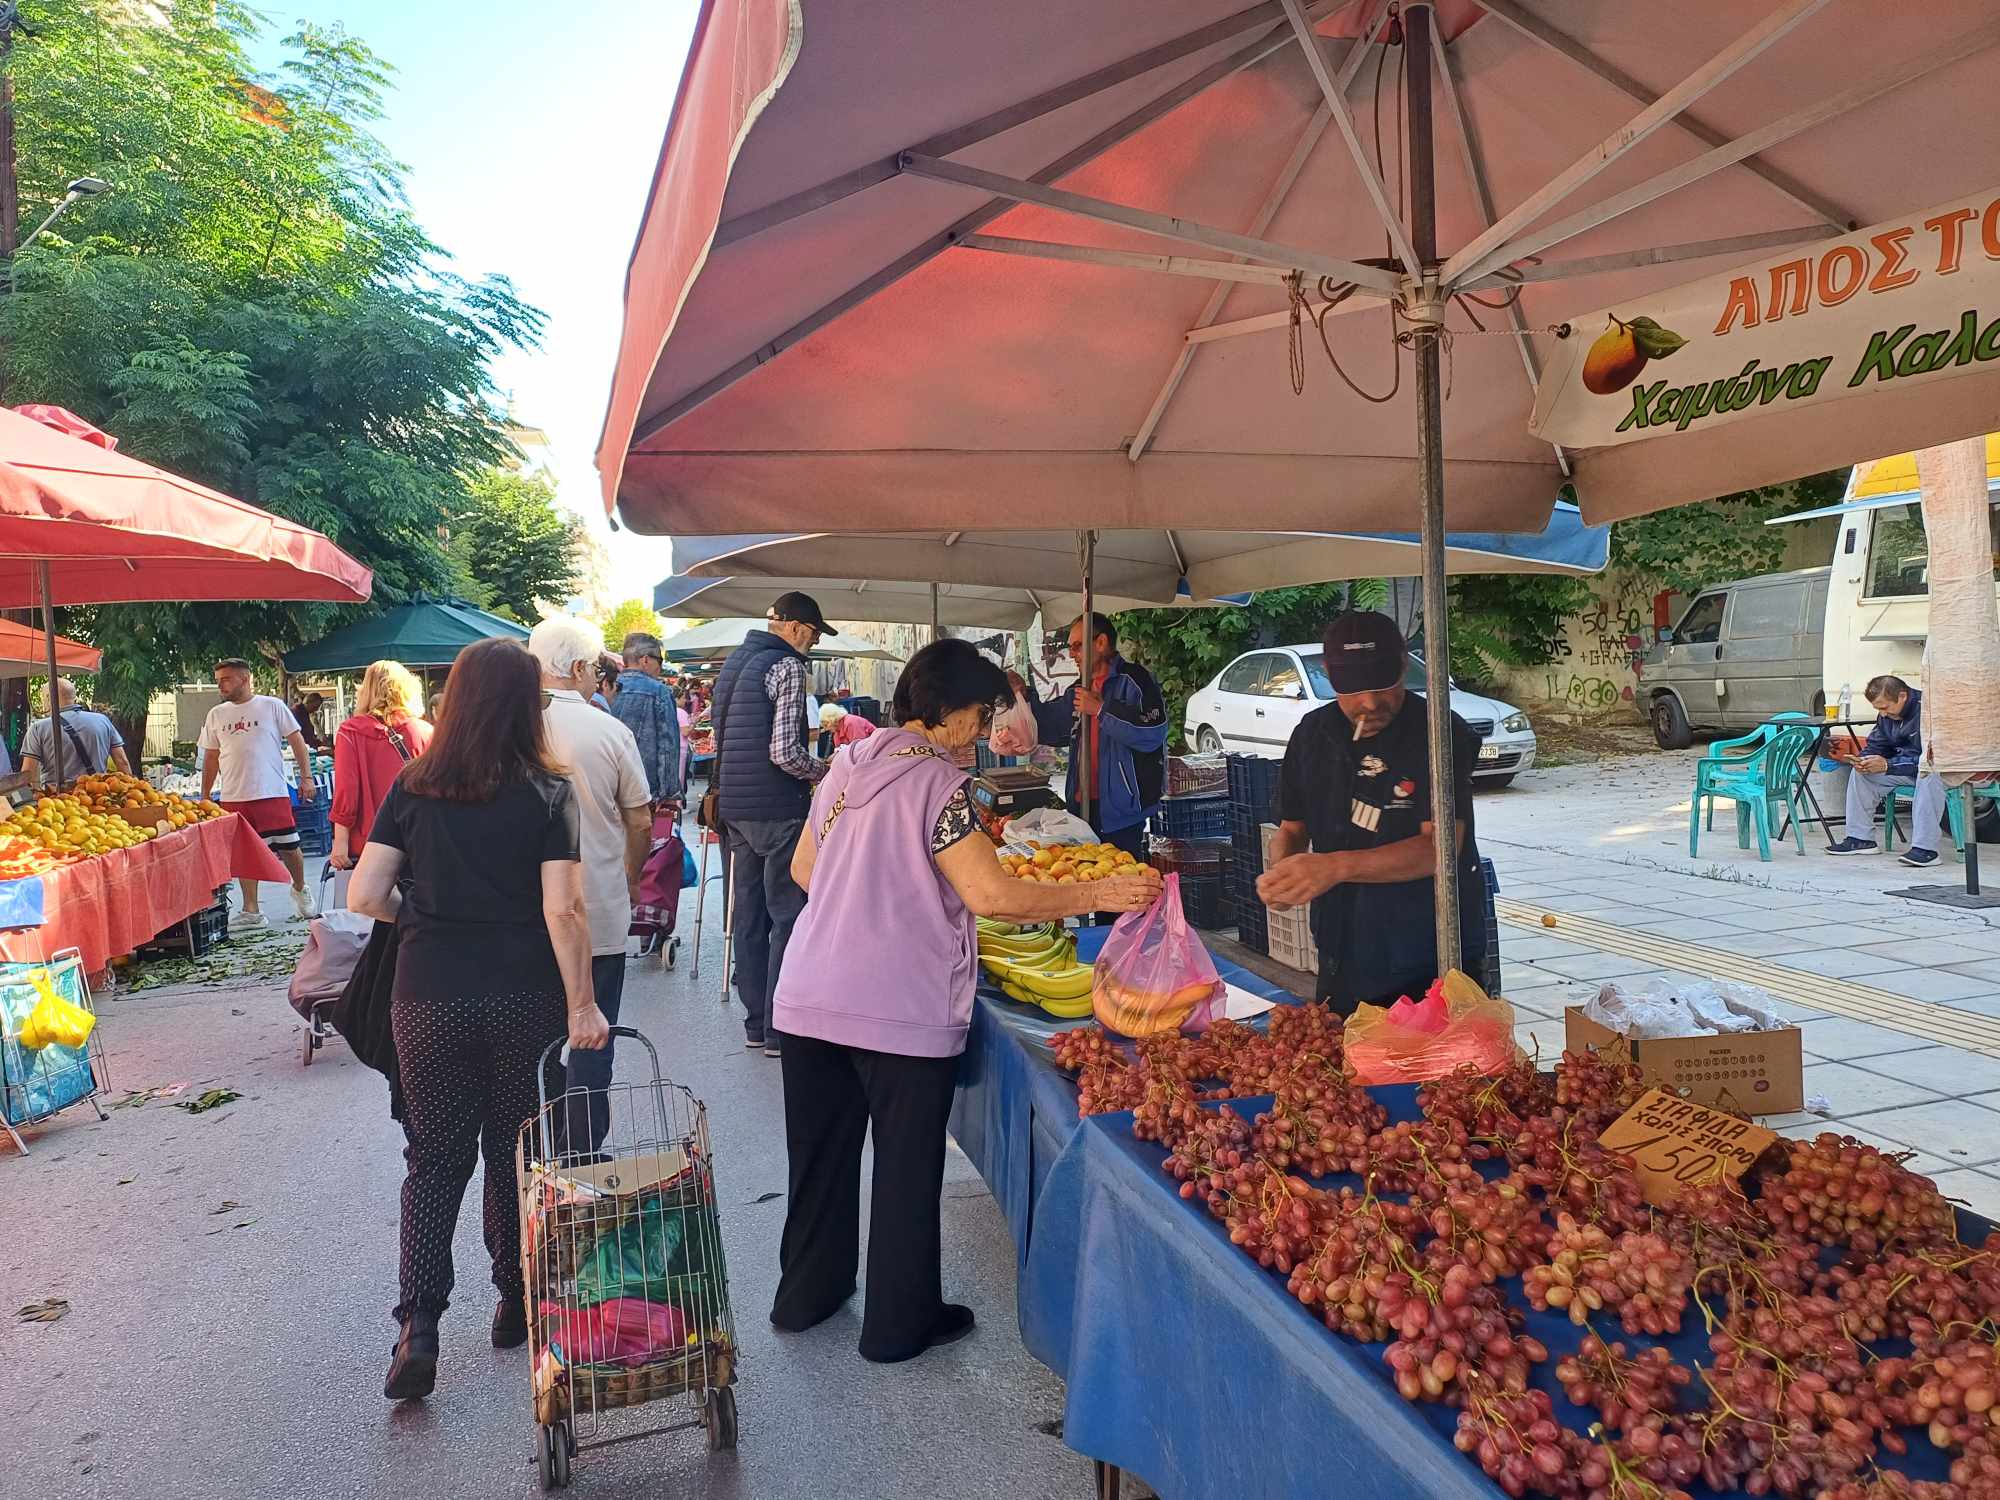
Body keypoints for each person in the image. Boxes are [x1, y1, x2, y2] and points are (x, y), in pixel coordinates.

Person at [770, 639, 1161, 1362]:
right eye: (981, 713)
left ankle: (806, 1298)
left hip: (808, 995)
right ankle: (898, 1325)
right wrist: (1100, 893)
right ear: (947, 711)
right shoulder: (938, 785)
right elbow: (992, 895)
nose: (983, 729)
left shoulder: (846, 768)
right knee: (905, 1166)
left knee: (818, 1161)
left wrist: (862, 904)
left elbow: (802, 868)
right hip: (897, 1006)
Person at [346, 637, 607, 1401]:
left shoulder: (415, 784)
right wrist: (584, 1003)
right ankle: (513, 1301)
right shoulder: (548, 791)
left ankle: (418, 1326)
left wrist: (426, 920)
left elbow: (365, 896)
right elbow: (564, 908)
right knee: (514, 1150)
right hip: (523, 995)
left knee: (433, 1160)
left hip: (426, 995)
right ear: (528, 706)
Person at [1256, 612, 1488, 1016]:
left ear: (1403, 664)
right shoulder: (1312, 735)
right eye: (1353, 688)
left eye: (1384, 684)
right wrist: (1283, 873)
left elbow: (1440, 848)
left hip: (1430, 958)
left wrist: (1334, 867)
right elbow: (1292, 828)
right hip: (1342, 946)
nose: (1370, 702)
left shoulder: (1438, 732)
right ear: (1329, 673)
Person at [529, 618, 652, 1151]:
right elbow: (641, 820)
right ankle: (581, 1153)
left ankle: (535, 1149)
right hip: (597, 907)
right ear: (580, 669)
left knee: (532, 1041)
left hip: (524, 917)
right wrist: (630, 876)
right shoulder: (608, 731)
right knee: (592, 1037)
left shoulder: (509, 729)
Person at [713, 591, 831, 1056]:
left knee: (748, 912)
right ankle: (781, 1027)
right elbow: (784, 753)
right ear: (798, 628)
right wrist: (826, 771)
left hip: (734, 808)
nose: (812, 643)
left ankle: (754, 1023)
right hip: (777, 810)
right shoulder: (786, 668)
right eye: (814, 634)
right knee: (786, 914)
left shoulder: (734, 663)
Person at [1012, 613, 1168, 861]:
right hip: (1081, 809)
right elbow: (1050, 725)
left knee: (1122, 881)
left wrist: (1100, 710)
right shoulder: (1079, 688)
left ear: (1101, 642)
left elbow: (1152, 733)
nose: (1072, 654)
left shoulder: (1136, 681)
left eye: (1076, 646)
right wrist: (1023, 697)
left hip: (1122, 813)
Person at [199, 658, 321, 929]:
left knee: (289, 846)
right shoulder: (216, 715)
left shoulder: (272, 706)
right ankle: (251, 910)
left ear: (244, 678)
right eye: (218, 680)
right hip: (233, 794)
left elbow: (297, 741)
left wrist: (306, 776)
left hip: (270, 789)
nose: (221, 685)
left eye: (226, 679)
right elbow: (211, 756)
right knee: (244, 851)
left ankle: (300, 887)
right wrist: (205, 795)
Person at [328, 661, 433, 883]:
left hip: (370, 842)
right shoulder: (426, 732)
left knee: (370, 909)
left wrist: (340, 841)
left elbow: (347, 789)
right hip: (421, 837)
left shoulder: (350, 732)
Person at [1826, 674, 1948, 865]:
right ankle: (1860, 839)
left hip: (1943, 769)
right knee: (1862, 775)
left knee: (1929, 775)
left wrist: (1888, 765)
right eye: (1878, 709)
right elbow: (1877, 744)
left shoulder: (1930, 710)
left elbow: (1936, 758)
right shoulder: (1887, 716)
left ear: (1902, 696)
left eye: (1885, 707)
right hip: (1907, 769)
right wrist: (1863, 760)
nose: (1882, 714)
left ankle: (1926, 850)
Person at [610, 631, 682, 808]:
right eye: (660, 661)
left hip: (607, 786)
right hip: (645, 789)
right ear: (645, 660)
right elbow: (668, 746)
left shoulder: (607, 686)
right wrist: (670, 792)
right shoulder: (659, 691)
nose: (661, 667)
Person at [20, 678, 131, 784]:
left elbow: (28, 773)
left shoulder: (38, 728)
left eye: (43, 698)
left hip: (58, 799)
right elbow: (122, 761)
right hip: (97, 794)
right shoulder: (103, 720)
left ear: (49, 697)